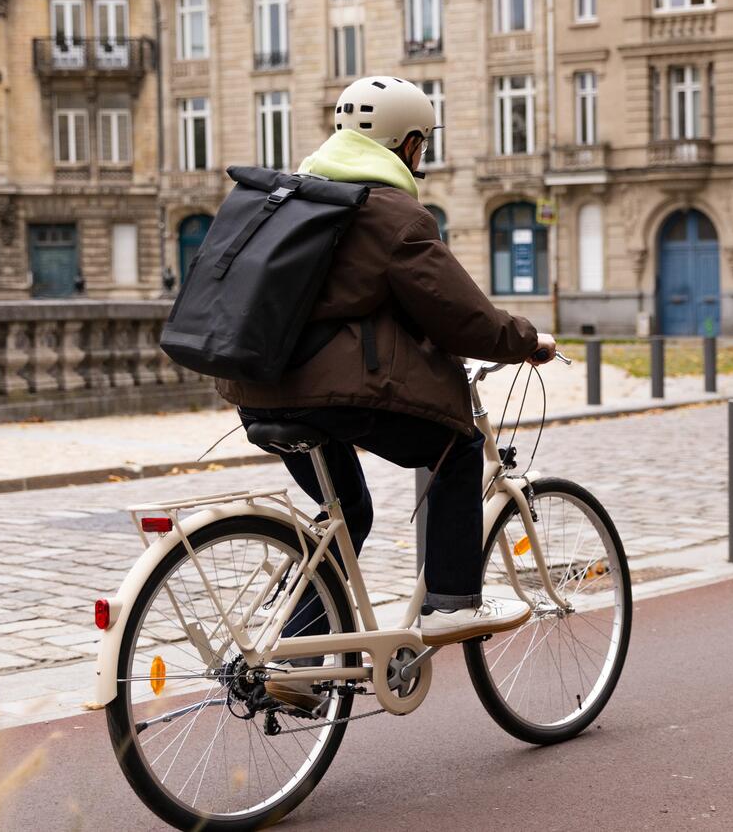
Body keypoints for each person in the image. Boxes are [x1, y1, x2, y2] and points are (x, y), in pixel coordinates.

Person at [214, 77, 556, 710]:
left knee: (348, 512)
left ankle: (298, 660)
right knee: (458, 444)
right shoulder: (392, 214)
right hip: (330, 396)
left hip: (257, 392)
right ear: (412, 143)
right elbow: (465, 319)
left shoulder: (294, 198)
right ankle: (454, 603)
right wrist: (527, 340)